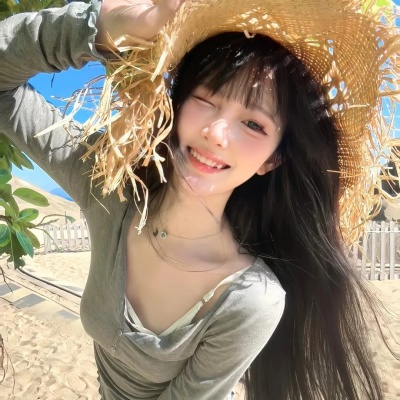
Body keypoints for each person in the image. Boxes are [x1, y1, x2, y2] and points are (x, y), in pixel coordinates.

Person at [0, 0, 399, 399]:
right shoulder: (110, 190)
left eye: (253, 124)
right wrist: (104, 25)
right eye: (207, 98)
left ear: (272, 159)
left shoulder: (250, 299)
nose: (216, 133)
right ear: (175, 103)